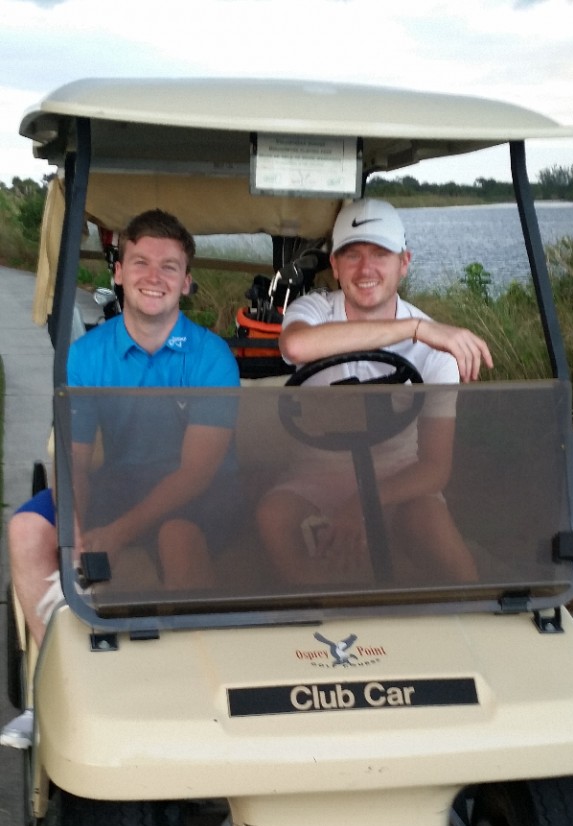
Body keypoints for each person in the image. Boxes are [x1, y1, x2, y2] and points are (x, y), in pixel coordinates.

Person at [8, 208, 240, 651]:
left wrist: (114, 534)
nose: (154, 276)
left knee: (177, 536)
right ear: (117, 272)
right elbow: (74, 455)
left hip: (204, 493)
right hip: (123, 481)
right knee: (26, 528)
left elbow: (196, 474)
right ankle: (55, 675)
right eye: (140, 262)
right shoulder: (87, 354)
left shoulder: (212, 358)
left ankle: (197, 675)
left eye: (169, 266)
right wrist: (74, 527)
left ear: (186, 281)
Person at [257, 197, 493, 586]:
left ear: (404, 262)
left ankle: (476, 620)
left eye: (380, 254)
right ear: (334, 265)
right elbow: (296, 347)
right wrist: (413, 329)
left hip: (399, 478)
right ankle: (312, 611)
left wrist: (362, 504)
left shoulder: (438, 352)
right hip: (317, 476)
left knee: (438, 534)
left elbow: (435, 468)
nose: (366, 268)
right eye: (351, 255)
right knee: (273, 516)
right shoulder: (313, 310)